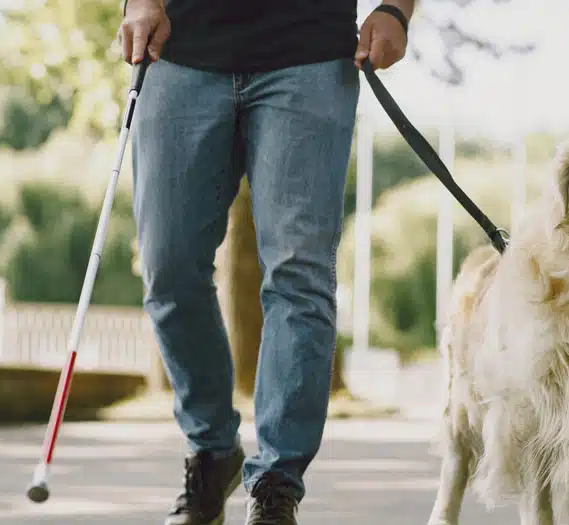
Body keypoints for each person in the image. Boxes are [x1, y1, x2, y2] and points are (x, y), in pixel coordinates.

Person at [117, 0, 415, 523]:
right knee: (168, 267)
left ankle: (277, 483)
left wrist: (396, 8)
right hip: (181, 50)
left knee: (299, 276)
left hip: (309, 54)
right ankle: (212, 452)